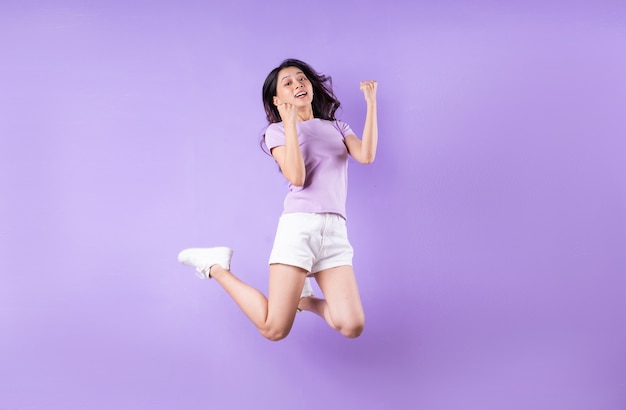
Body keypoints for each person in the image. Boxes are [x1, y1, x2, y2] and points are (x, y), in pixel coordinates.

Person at [178, 58, 378, 341]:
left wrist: (371, 103)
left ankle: (304, 301)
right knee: (274, 329)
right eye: (288, 83)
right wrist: (290, 124)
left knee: (351, 324)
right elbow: (297, 177)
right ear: (277, 99)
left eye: (302, 79)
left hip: (335, 232)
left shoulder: (338, 128)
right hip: (300, 229)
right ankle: (215, 266)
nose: (298, 84)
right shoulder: (277, 132)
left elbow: (366, 156)